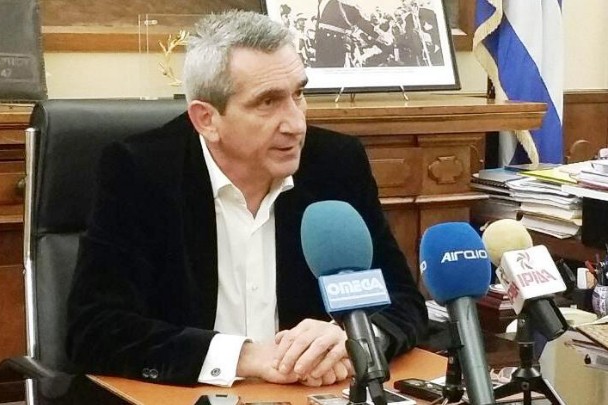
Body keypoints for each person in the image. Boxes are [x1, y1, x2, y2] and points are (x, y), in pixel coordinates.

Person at [66, 10, 427, 388]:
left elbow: (402, 300)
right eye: (268, 102)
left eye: (298, 94)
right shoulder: (140, 172)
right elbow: (95, 330)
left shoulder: (335, 165)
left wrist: (355, 339)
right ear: (206, 119)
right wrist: (247, 356)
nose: (296, 124)